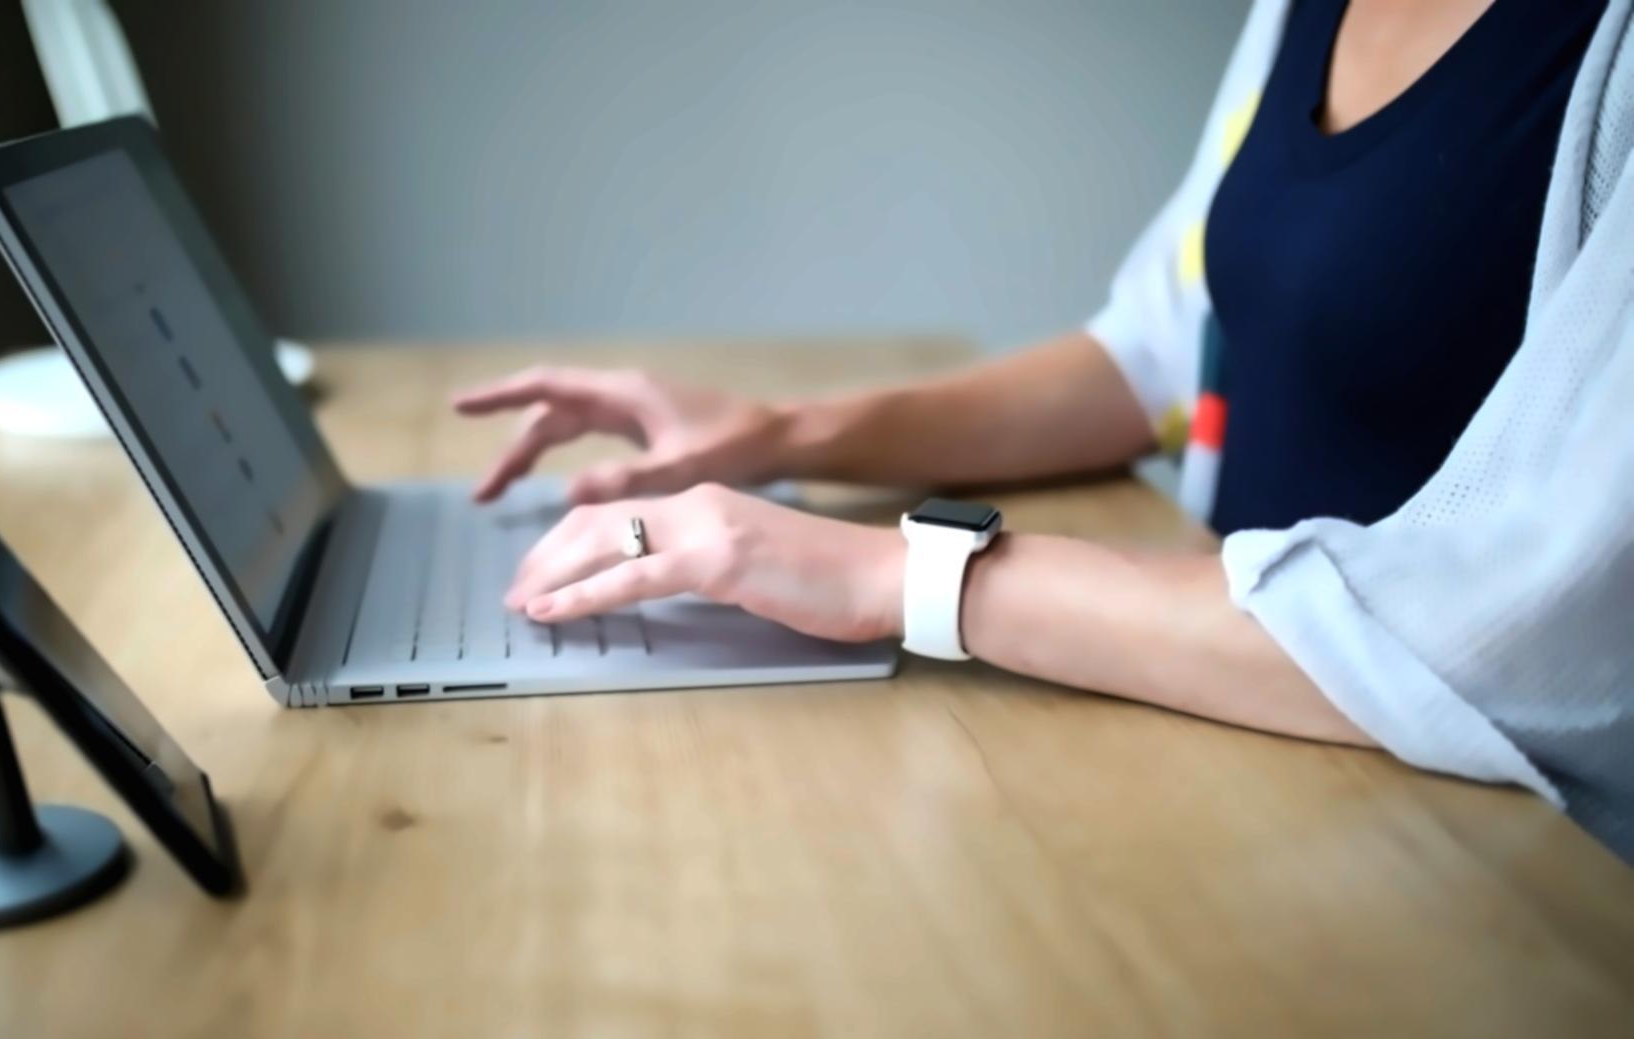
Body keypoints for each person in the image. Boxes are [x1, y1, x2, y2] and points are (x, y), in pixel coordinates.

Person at [453, 0, 1634, 861]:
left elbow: (1511, 632)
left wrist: (904, 576)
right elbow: (1164, 351)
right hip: (1228, 750)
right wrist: (779, 434)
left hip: (1469, 862)